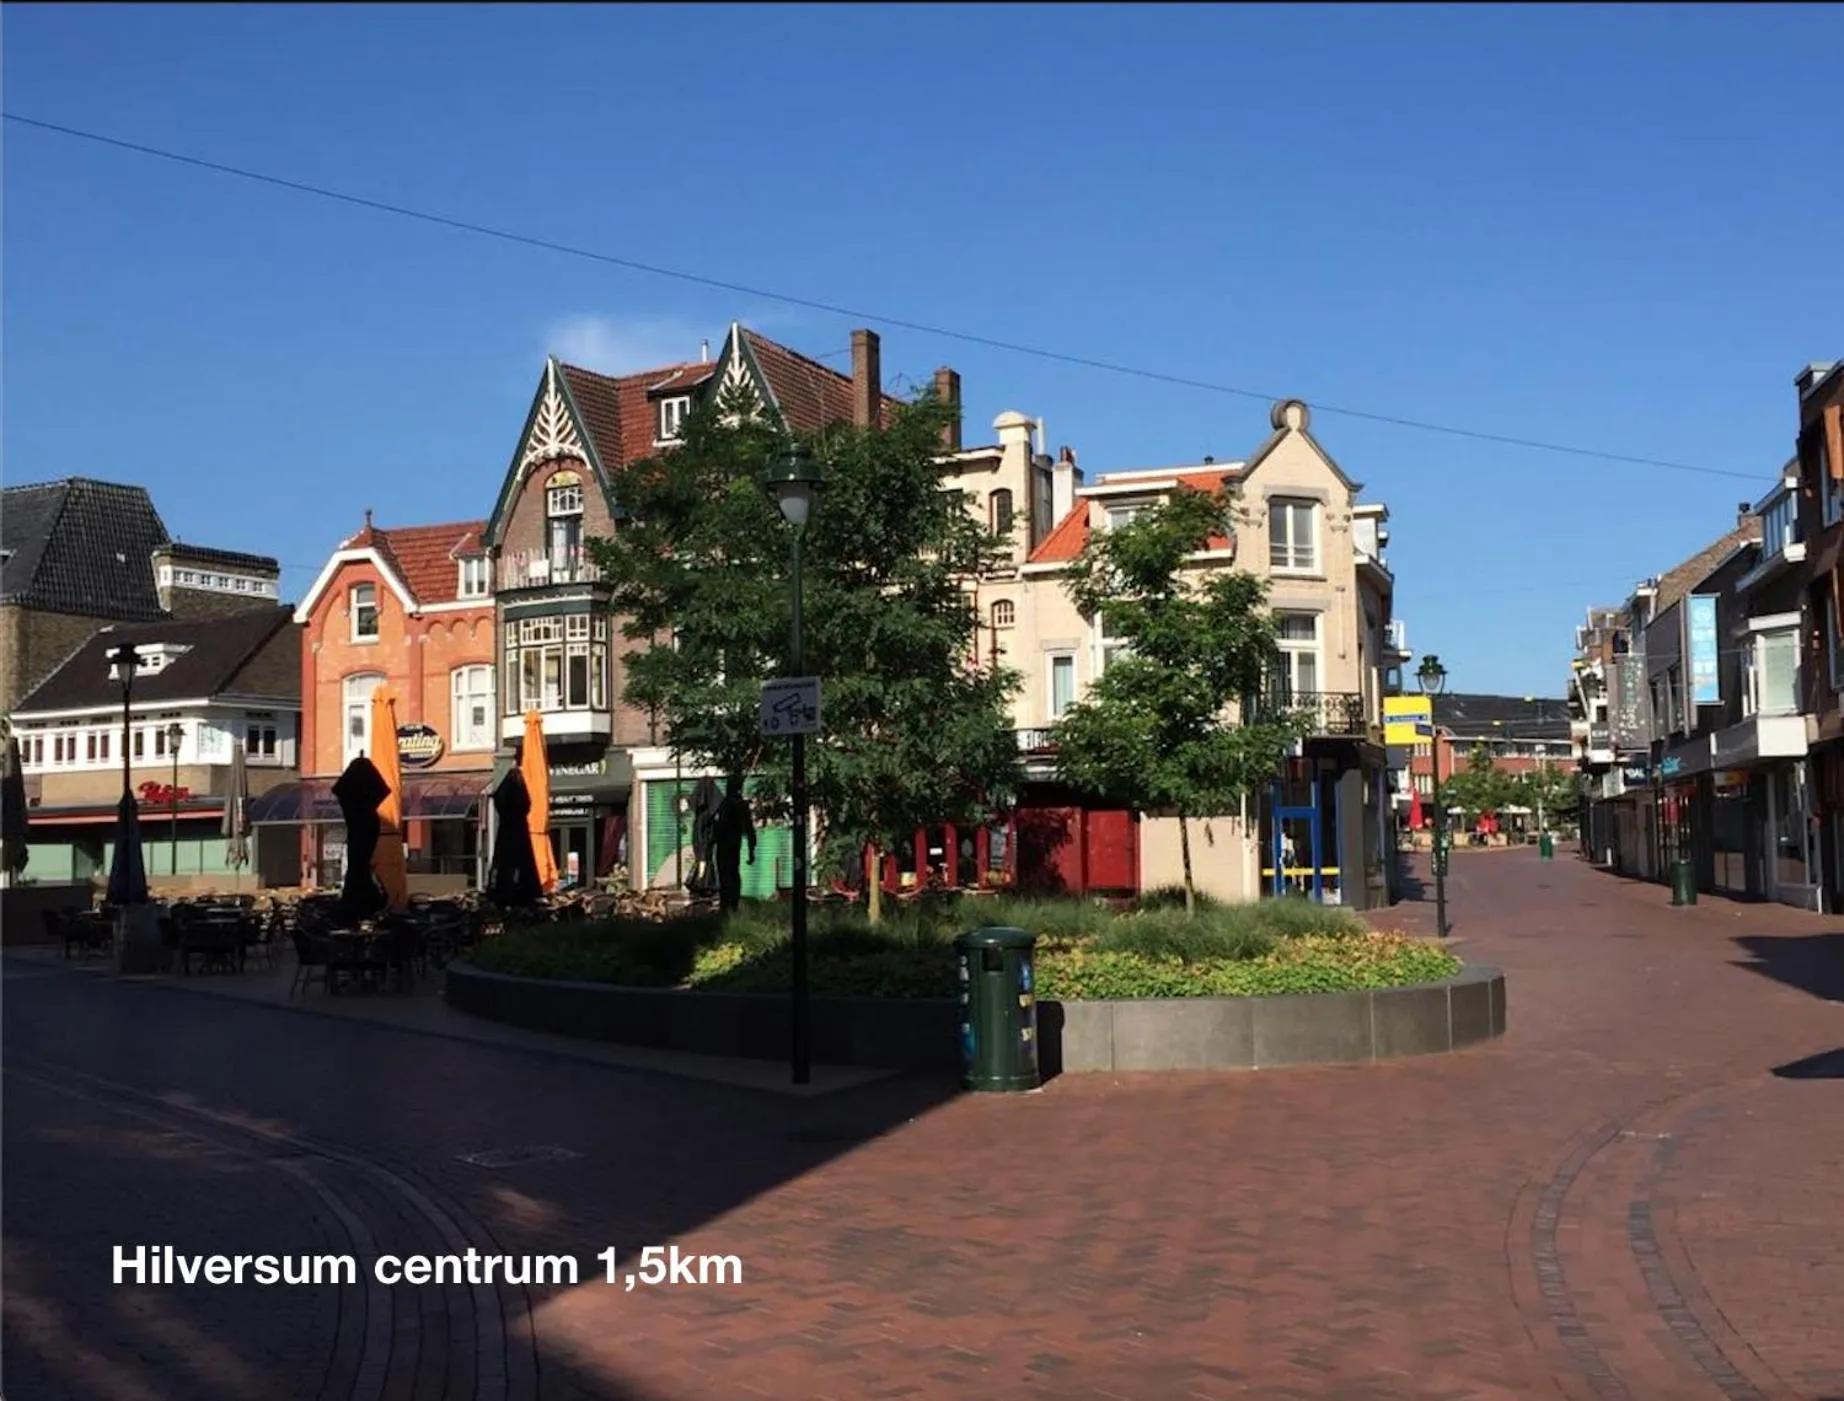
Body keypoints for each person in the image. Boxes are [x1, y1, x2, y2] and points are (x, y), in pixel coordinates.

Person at [711, 775, 757, 913]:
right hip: (735, 844)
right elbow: (749, 829)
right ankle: (733, 905)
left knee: (725, 875)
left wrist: (711, 841)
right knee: (733, 874)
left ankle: (726, 906)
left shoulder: (726, 804)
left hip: (725, 844)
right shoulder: (741, 805)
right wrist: (751, 850)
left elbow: (720, 826)